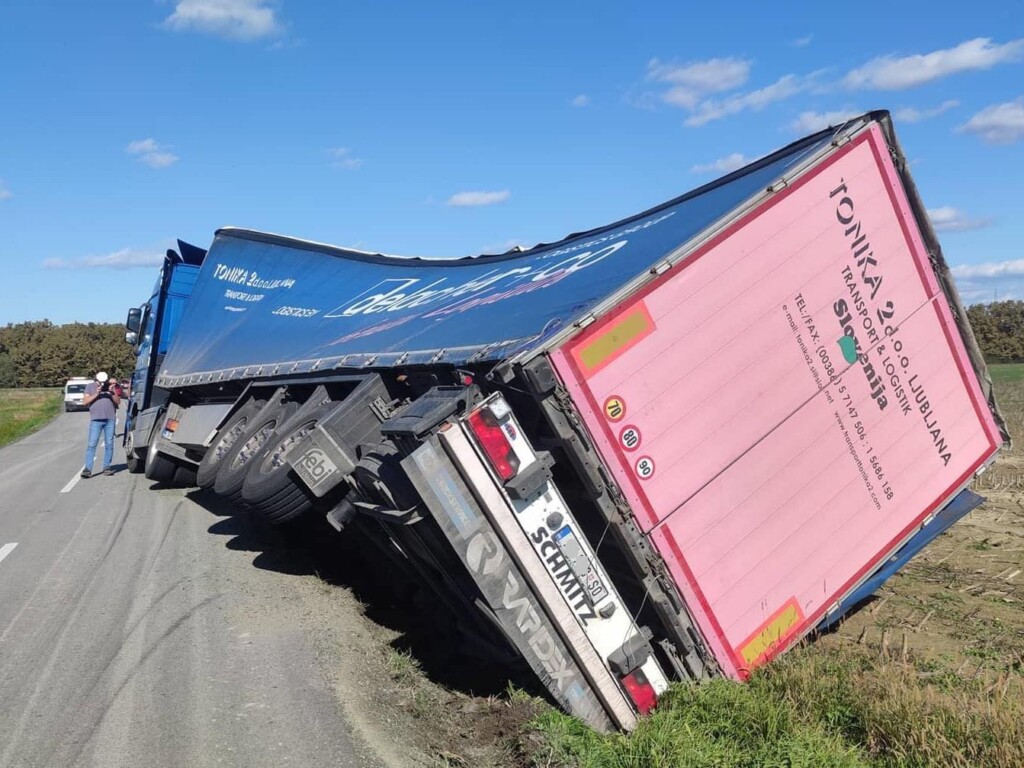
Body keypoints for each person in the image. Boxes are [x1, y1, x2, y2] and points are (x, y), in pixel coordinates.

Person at [81, 371, 120, 478]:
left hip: (110, 419)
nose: (102, 384)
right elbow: (85, 402)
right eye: (100, 382)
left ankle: (107, 467)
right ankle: (88, 469)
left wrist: (112, 392)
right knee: (92, 444)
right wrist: (96, 393)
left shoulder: (110, 387)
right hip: (96, 419)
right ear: (96, 380)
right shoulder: (90, 386)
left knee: (109, 444)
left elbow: (118, 402)